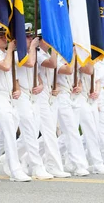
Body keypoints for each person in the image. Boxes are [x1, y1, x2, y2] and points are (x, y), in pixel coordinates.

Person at [0, 23, 30, 182]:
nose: (4, 39)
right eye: (0, 37)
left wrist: (17, 88)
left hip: (10, 98)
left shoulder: (9, 54)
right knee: (10, 133)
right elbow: (4, 67)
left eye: (5, 36)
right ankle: (15, 169)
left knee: (4, 137)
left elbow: (14, 75)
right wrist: (10, 50)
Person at [14, 25, 54, 179]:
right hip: (21, 95)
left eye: (31, 37)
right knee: (30, 131)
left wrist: (41, 84)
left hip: (33, 96)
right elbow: (30, 63)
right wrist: (33, 47)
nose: (30, 39)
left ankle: (10, 156)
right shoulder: (18, 54)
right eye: (27, 37)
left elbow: (35, 73)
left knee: (30, 132)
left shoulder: (32, 53)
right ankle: (37, 167)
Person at [36, 33, 72, 178]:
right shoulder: (38, 54)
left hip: (51, 94)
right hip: (41, 95)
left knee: (43, 132)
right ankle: (53, 166)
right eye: (47, 38)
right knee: (49, 132)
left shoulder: (47, 53)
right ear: (40, 40)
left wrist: (55, 85)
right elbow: (52, 64)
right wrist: (55, 50)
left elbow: (52, 74)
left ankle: (23, 157)